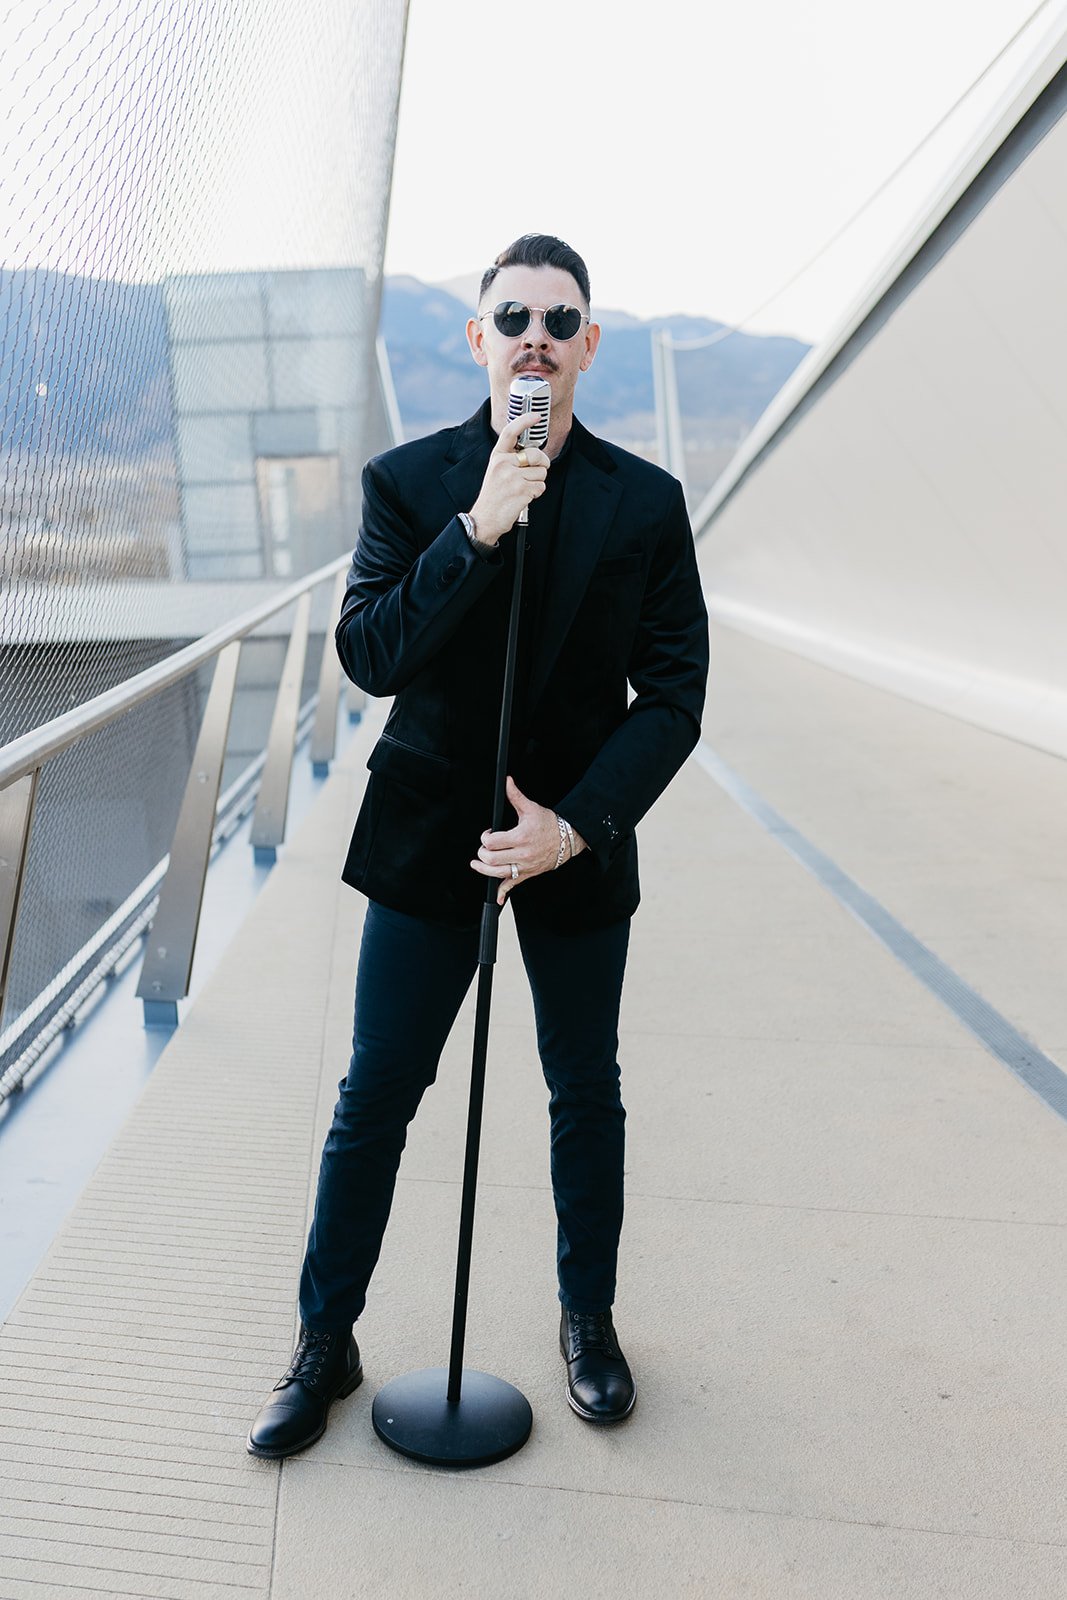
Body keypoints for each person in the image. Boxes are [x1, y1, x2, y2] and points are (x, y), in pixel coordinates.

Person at [247, 234, 709, 1458]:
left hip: (571, 843)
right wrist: (476, 530)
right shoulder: (409, 484)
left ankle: (586, 1321)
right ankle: (323, 1339)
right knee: (374, 1097)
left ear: (588, 344)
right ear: (477, 340)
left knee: (584, 1090)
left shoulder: (644, 503)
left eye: (559, 321)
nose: (534, 339)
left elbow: (673, 696)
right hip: (427, 836)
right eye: (512, 318)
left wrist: (575, 826)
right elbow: (369, 653)